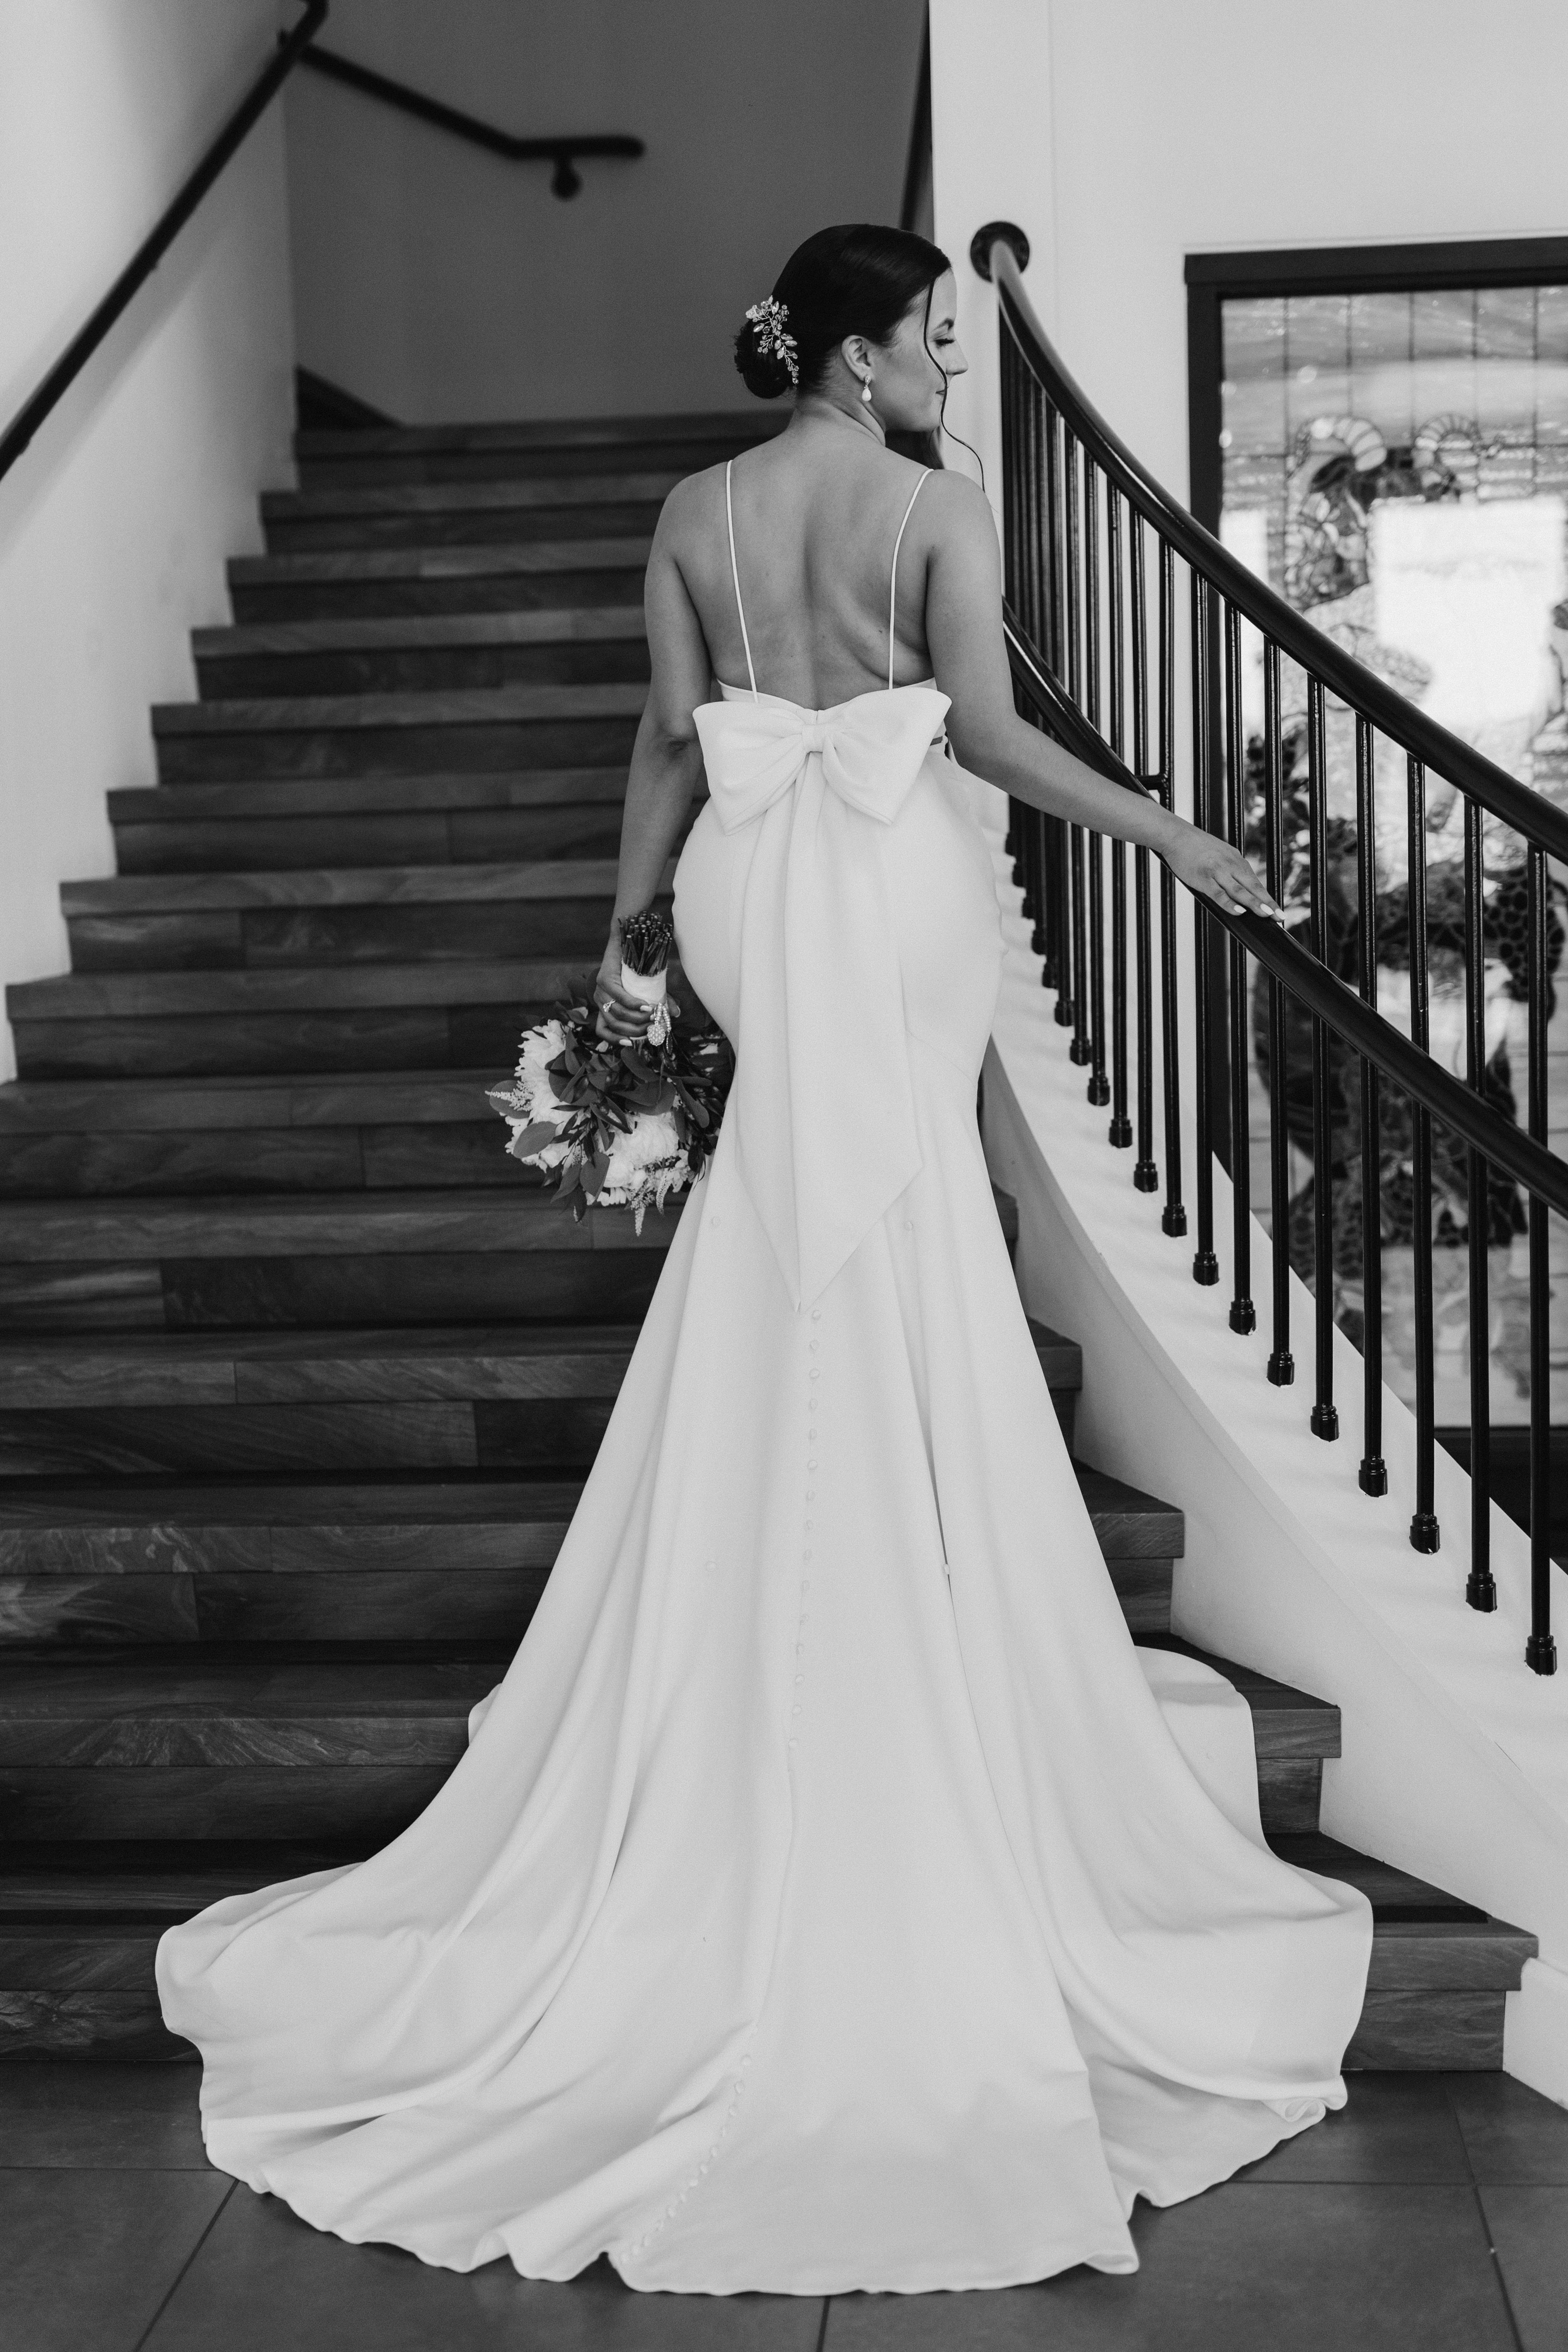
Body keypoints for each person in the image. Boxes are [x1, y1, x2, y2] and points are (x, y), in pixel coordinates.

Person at [158, 223, 1371, 2296]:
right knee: (885, 1228)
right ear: (865, 353)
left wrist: (626, 943)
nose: (950, 381)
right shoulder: (931, 509)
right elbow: (979, 738)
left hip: (739, 874)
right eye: (936, 347)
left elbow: (660, 740)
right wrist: (1168, 834)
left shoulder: (692, 510)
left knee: (762, 1230)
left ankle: (760, 1639)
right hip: (887, 887)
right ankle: (898, 1595)